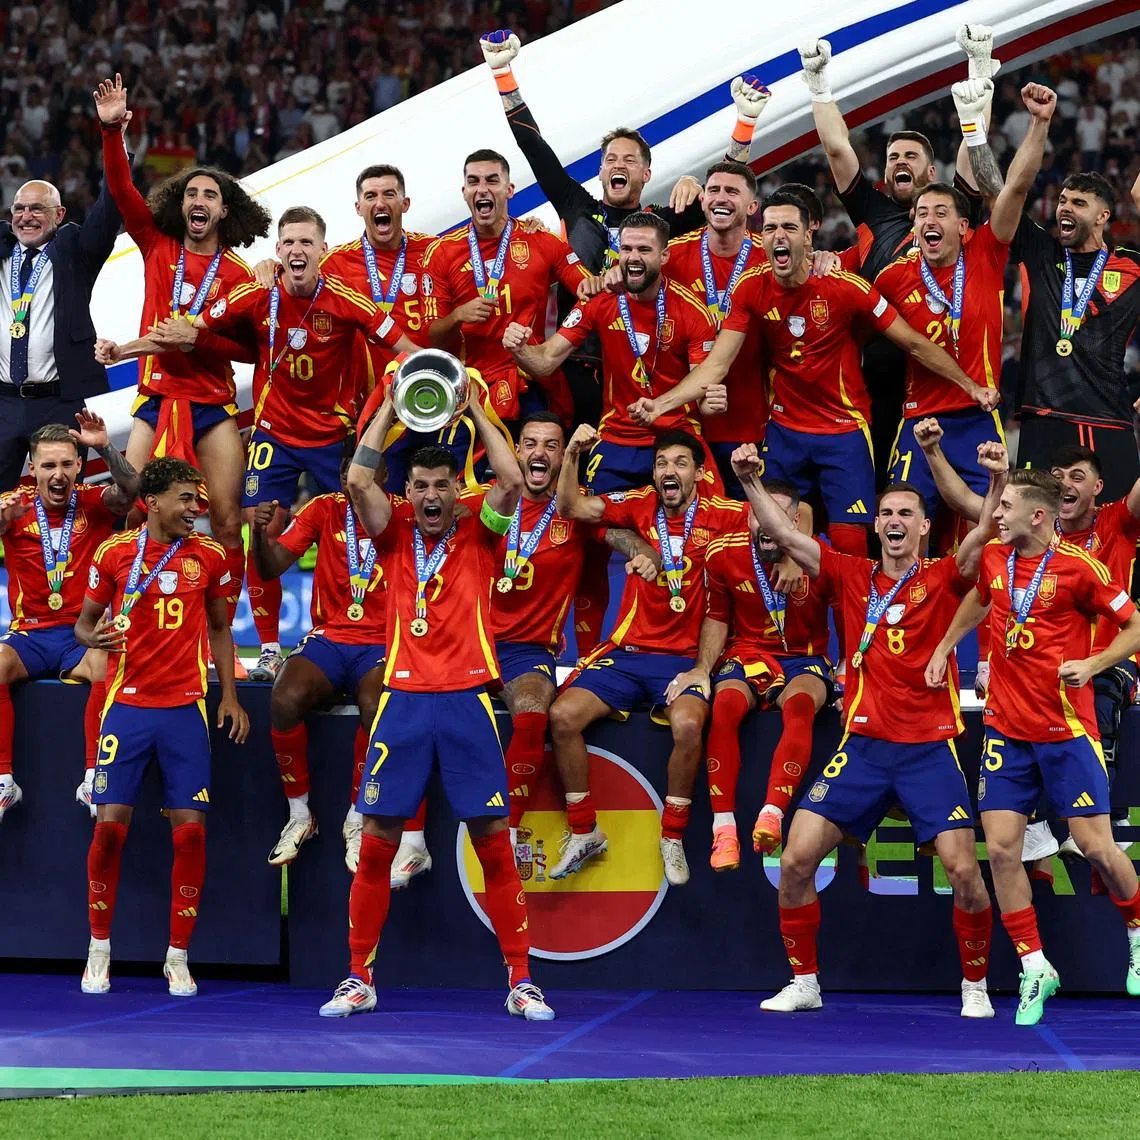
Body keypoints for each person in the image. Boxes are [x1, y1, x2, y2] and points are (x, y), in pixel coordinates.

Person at [736, 442, 1008, 1018]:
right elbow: (786, 538)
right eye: (886, 513)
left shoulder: (943, 576)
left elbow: (986, 532)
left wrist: (997, 478)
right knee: (793, 861)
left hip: (929, 750)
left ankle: (976, 986)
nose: (894, 521)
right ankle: (805, 982)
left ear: (925, 527)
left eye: (906, 513)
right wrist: (750, 482)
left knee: (963, 870)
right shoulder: (850, 571)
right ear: (875, 524)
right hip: (861, 748)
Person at [318, 386, 554, 1022]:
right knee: (376, 844)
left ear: (457, 489)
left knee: (494, 843)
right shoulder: (391, 533)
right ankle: (358, 977)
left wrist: (474, 406)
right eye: (419, 485)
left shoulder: (483, 533)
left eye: (440, 486)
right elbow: (362, 476)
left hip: (466, 702)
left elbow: (511, 478)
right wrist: (393, 407)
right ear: (410, 491)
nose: (429, 497)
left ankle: (521, 980)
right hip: (401, 702)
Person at [645, 192, 996, 563]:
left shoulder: (845, 287)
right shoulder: (750, 287)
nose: (778, 236)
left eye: (789, 227)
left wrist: (970, 385)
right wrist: (660, 404)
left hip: (844, 432)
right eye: (770, 228)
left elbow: (914, 343)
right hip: (784, 431)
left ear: (808, 236)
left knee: (851, 549)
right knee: (769, 539)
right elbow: (716, 365)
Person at [927, 469, 1140, 1023]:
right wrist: (947, 645)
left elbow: (1135, 625)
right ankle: (1035, 965)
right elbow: (980, 599)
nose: (996, 515)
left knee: (1096, 848)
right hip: (1006, 730)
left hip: (1067, 730)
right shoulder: (997, 559)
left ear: (1038, 516)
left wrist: (1093, 664)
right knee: (999, 849)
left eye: (1007, 507)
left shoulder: (1081, 569)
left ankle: (1137, 933)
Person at [92, 74, 272, 670]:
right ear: (181, 203)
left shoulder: (241, 276)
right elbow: (120, 190)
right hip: (156, 397)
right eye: (191, 193)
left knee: (226, 519)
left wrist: (201, 336)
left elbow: (250, 352)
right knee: (128, 501)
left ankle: (227, 639)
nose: (199, 202)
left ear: (225, 209)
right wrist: (113, 130)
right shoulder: (156, 244)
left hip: (211, 405)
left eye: (210, 196)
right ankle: (128, 625)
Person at [193, 206, 415, 683]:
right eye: (288, 243)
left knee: (366, 525)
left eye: (306, 243)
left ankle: (375, 629)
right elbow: (198, 325)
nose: (297, 250)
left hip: (333, 435)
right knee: (260, 528)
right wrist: (131, 350)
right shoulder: (257, 291)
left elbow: (405, 349)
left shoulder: (346, 299)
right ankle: (270, 647)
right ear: (277, 251)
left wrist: (445, 381)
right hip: (274, 432)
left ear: (323, 251)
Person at [917, 427, 1140, 854]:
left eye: (1078, 476)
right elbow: (967, 505)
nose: (1065, 483)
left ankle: (1104, 815)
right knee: (1005, 703)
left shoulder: (1115, 521)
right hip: (1032, 664)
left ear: (1097, 488)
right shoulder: (1011, 539)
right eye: (1058, 474)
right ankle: (1031, 824)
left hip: (1103, 661)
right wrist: (934, 451)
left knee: (1102, 690)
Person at [76, 456, 249, 998]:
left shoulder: (212, 557)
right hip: (125, 708)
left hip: (184, 710)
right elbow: (83, 624)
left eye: (198, 499)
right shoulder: (114, 553)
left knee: (192, 831)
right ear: (152, 502)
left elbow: (221, 629)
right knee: (108, 829)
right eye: (185, 499)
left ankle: (177, 956)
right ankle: (98, 949)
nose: (196, 508)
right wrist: (92, 640)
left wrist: (231, 696)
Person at [549, 426, 744, 886]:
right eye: (661, 464)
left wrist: (792, 557)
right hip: (628, 653)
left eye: (680, 462)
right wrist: (574, 454)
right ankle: (583, 830)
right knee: (561, 717)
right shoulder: (638, 505)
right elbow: (571, 507)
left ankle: (672, 836)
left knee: (689, 724)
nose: (669, 471)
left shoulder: (728, 515)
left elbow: (793, 518)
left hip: (684, 660)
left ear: (699, 472)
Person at [797, 26, 994, 476]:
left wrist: (979, 74)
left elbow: (973, 148)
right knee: (885, 480)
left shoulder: (952, 204)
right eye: (893, 156)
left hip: (950, 364)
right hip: (883, 364)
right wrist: (818, 85)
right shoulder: (872, 210)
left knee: (958, 488)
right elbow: (836, 147)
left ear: (930, 169)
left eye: (910, 156)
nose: (900, 161)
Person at [462, 411, 655, 846]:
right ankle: (411, 835)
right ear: (515, 452)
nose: (539, 453)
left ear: (564, 455)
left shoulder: (575, 509)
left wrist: (644, 551)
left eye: (551, 445)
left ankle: (506, 834)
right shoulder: (485, 503)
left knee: (532, 713)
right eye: (530, 443)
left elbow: (622, 536)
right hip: (471, 642)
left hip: (529, 652)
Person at [874, 82, 1055, 524]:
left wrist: (1040, 122)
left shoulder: (986, 252)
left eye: (939, 213)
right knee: (903, 525)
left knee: (994, 527)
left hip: (978, 419)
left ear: (962, 225)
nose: (928, 221)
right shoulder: (893, 277)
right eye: (920, 215)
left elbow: (1015, 189)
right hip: (920, 421)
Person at [962, 93, 1140, 494]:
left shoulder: (1131, 266)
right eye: (1062, 200)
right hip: (1042, 417)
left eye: (1079, 203)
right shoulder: (1040, 251)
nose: (1065, 208)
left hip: (1107, 420)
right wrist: (1037, 122)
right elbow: (998, 188)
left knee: (1118, 536)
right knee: (1035, 529)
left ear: (1103, 216)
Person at [665, 481, 833, 870]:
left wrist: (846, 672)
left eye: (778, 516)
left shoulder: (818, 557)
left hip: (802, 657)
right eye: (759, 514)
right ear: (749, 516)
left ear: (795, 520)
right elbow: (717, 616)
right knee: (723, 706)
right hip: (749, 652)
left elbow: (848, 612)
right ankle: (723, 830)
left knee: (802, 705)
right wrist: (703, 669)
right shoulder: (723, 554)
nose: (766, 523)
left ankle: (771, 814)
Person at [504, 212, 725, 497]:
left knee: (712, 521)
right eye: (627, 249)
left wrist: (710, 401)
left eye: (644, 249)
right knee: (594, 525)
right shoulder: (601, 301)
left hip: (677, 434)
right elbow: (546, 361)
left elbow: (702, 386)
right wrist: (519, 350)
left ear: (664, 256)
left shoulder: (692, 312)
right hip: (618, 435)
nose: (634, 257)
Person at [249, 452, 394, 873]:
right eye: (347, 467)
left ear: (384, 476)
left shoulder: (402, 513)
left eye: (365, 469)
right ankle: (300, 815)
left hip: (383, 641)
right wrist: (259, 535)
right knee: (284, 698)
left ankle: (356, 817)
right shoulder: (324, 508)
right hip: (331, 637)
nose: (353, 475)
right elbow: (272, 566)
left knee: (376, 707)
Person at [0, 415, 138, 819]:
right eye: (48, 466)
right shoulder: (13, 506)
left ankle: (94, 779)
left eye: (66, 465)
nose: (57, 475)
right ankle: (4, 782)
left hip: (83, 634)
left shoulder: (95, 503)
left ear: (79, 466)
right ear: (32, 470)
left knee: (107, 665)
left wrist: (105, 447)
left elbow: (132, 490)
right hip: (29, 637)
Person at [421, 148, 591, 434]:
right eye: (474, 182)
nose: (482, 189)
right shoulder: (441, 252)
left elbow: (589, 291)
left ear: (509, 189)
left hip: (531, 382)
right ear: (464, 191)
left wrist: (555, 347)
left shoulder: (541, 240)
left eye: (492, 180)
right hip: (470, 388)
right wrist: (458, 315)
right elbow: (431, 334)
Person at [0, 166, 123, 489]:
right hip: (3, 403)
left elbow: (108, 211)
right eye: (19, 209)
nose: (26, 217)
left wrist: (114, 140)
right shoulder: (1, 252)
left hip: (59, 403)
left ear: (59, 214)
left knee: (63, 497)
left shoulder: (75, 254)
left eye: (37, 208)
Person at [319, 165, 436, 494]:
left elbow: (484, 247)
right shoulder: (335, 264)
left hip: (429, 399)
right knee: (383, 503)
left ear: (405, 203)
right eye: (370, 196)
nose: (380, 203)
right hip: (371, 411)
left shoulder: (435, 251)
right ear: (359, 208)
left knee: (436, 499)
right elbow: (294, 280)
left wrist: (526, 225)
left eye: (389, 194)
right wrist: (269, 266)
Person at [663, 162, 770, 497]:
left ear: (752, 207)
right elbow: (628, 263)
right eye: (714, 190)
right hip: (686, 425)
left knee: (752, 528)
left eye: (732, 191)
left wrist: (827, 258)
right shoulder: (672, 255)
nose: (721, 198)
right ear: (703, 199)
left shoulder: (771, 258)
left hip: (754, 424)